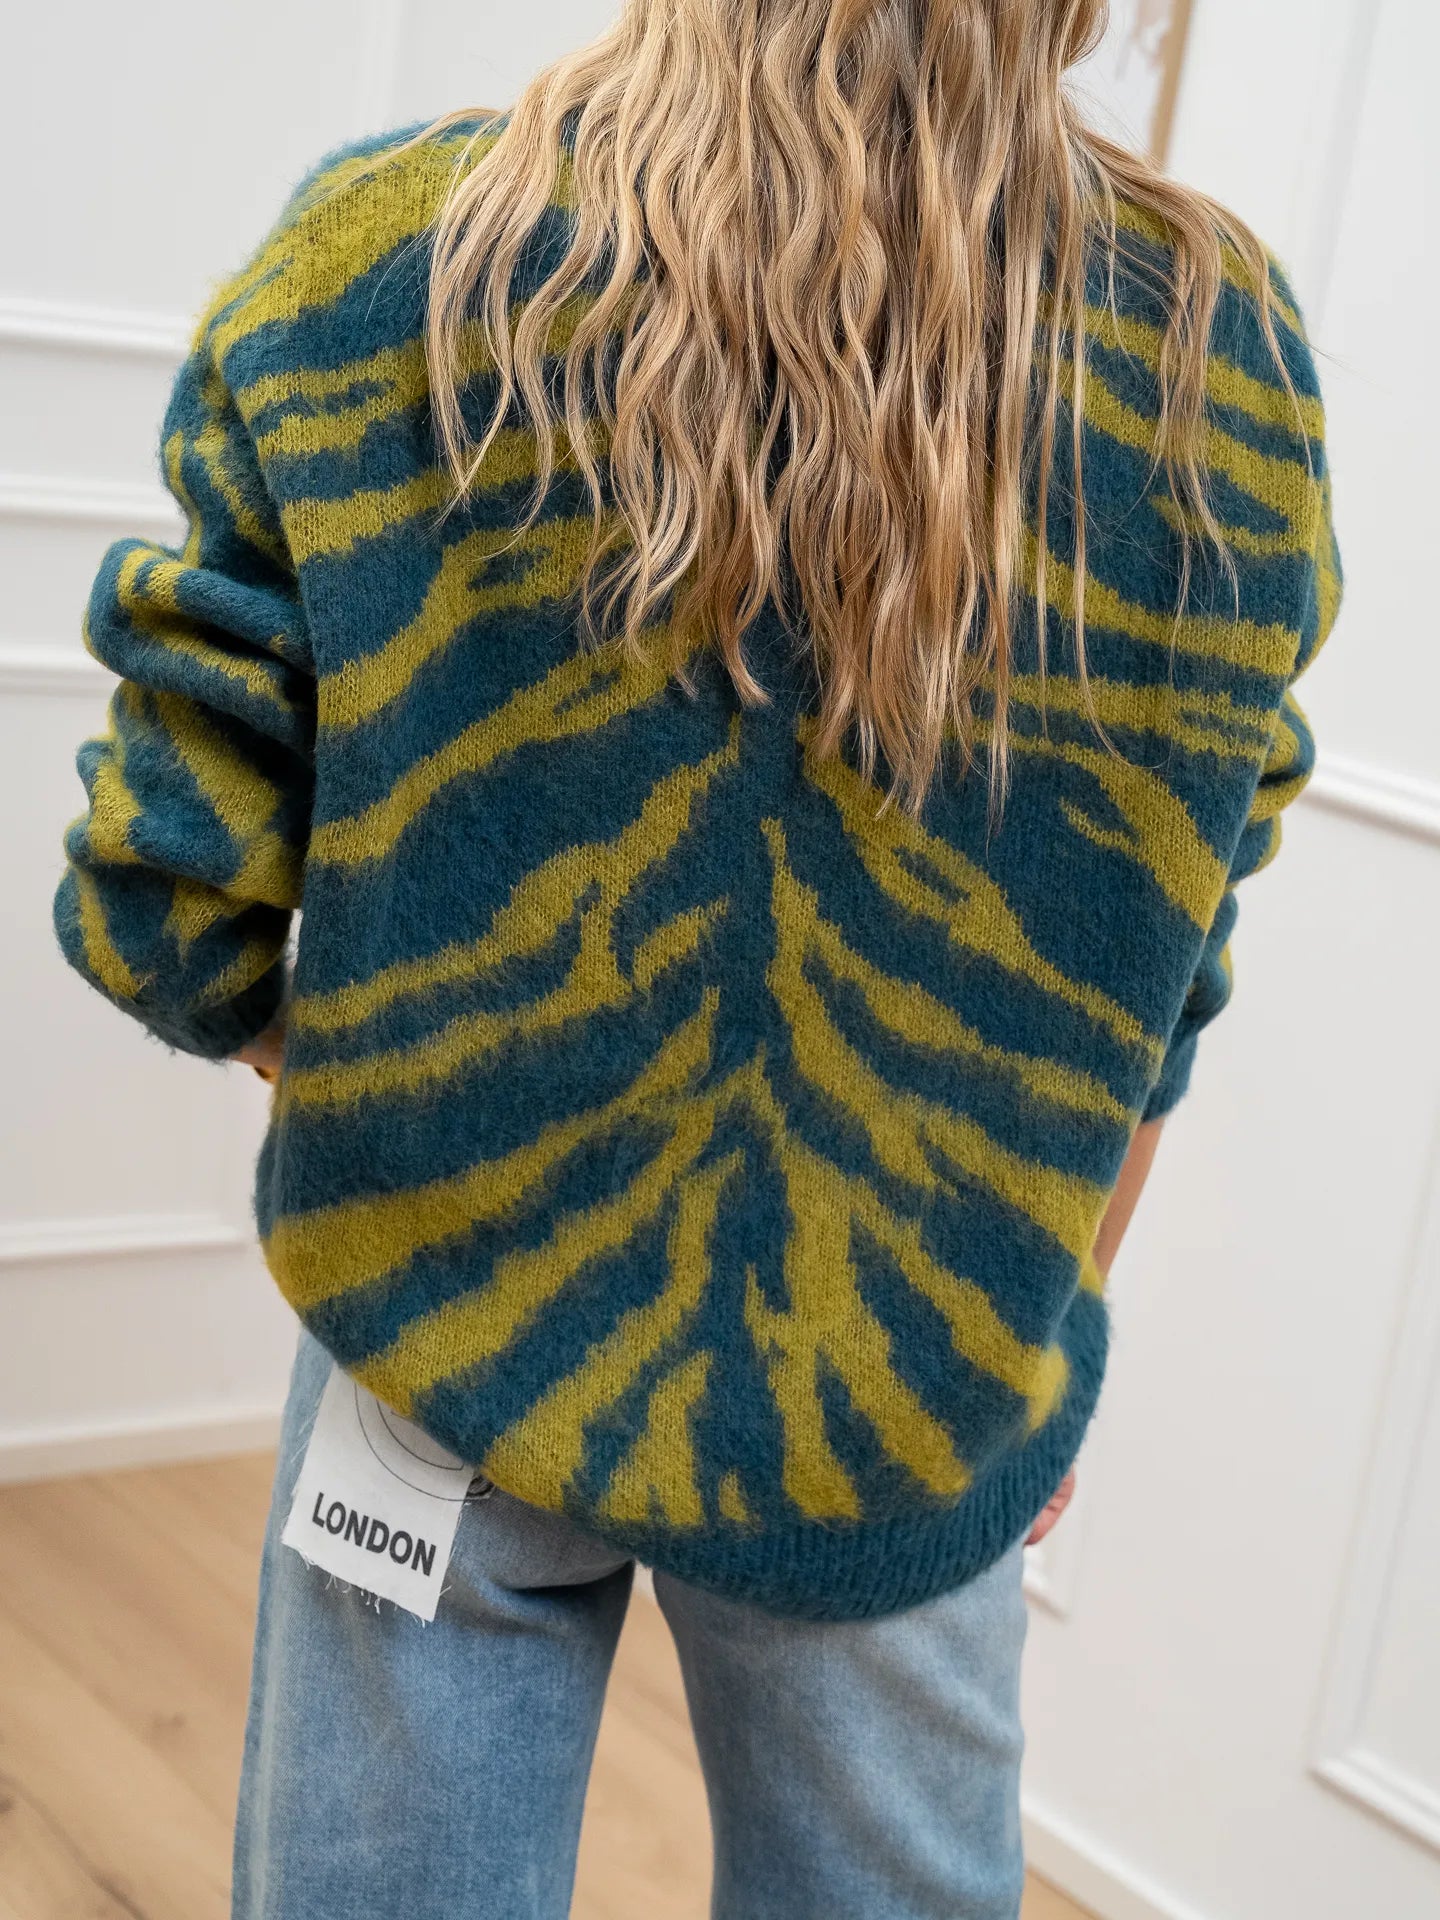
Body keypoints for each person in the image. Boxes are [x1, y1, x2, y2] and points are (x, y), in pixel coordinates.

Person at [50, 1, 1339, 1913]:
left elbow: (170, 894)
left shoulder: (388, 266)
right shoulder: (1214, 371)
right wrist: (1035, 1304)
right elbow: (1167, 959)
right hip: (902, 1395)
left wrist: (409, 1112)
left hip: (444, 1344)